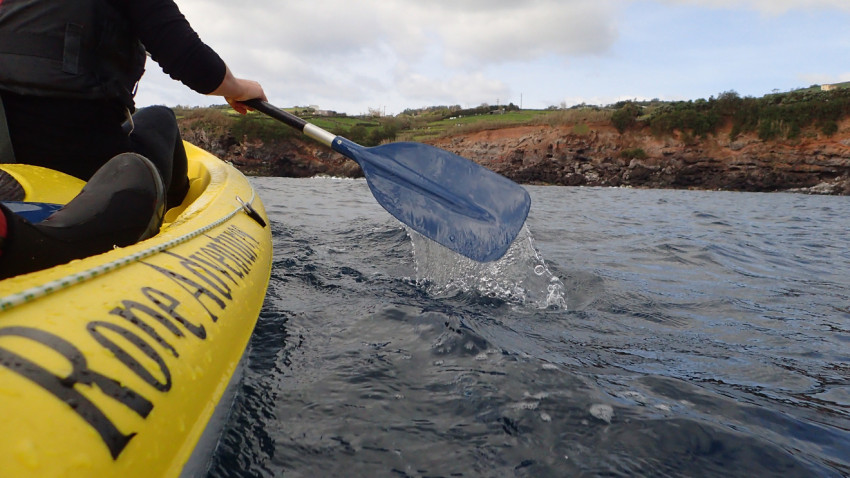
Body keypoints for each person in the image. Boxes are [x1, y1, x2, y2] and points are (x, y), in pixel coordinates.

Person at [0, 0, 266, 279]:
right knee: (161, 118)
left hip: (8, 146)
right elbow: (191, 61)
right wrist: (239, 88)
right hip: (75, 154)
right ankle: (171, 218)